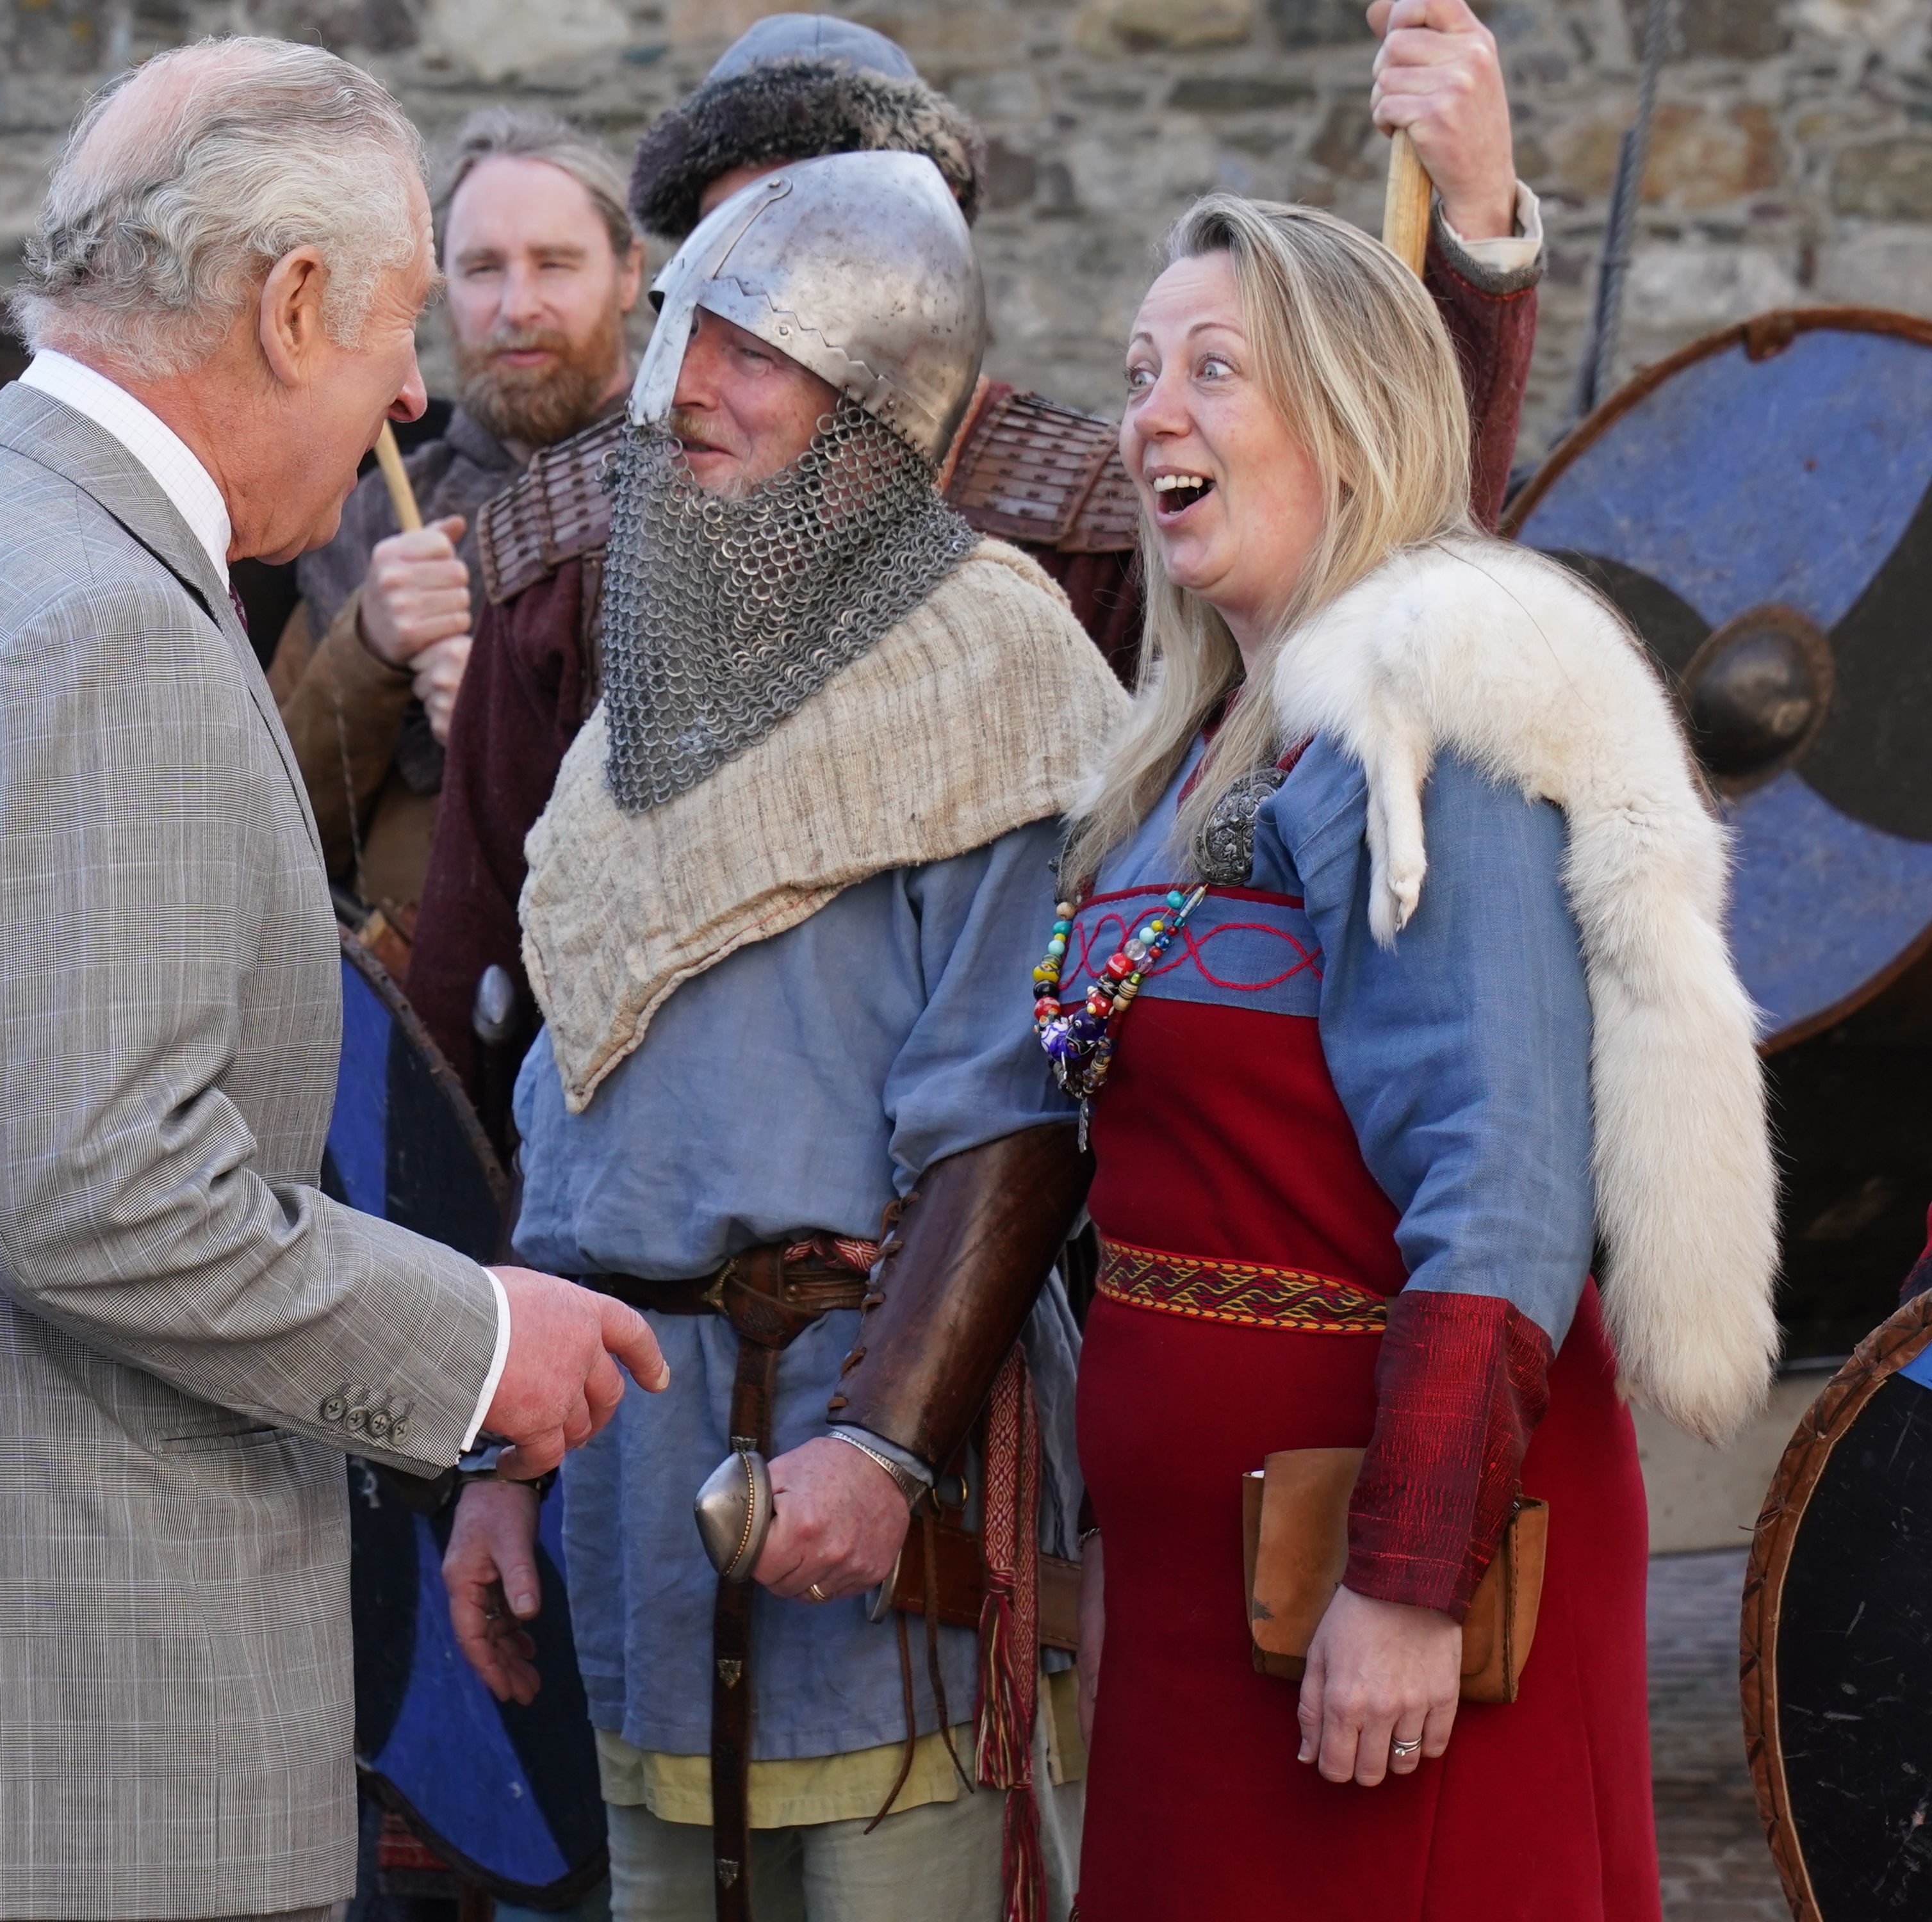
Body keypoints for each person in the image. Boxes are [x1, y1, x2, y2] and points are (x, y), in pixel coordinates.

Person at [0, 39, 665, 1922]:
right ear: (288, 305)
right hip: (96, 1751)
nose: (417, 385)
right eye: (401, 322)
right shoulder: (107, 626)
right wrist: (483, 1343)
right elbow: (98, 1200)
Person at [405, 0, 1546, 1104]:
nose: (780, 276)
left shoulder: (1104, 514)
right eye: (741, 246)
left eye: (832, 224)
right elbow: (486, 961)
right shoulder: (572, 545)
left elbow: (1386, 564)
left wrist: (1477, 232)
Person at [1057, 193, 1779, 1919]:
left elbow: (1508, 1177)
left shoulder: (1436, 735)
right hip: (1198, 1597)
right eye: (1141, 368)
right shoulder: (1202, 754)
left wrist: (1405, 1576)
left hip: (1376, 1595)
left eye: (1214, 369)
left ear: (1354, 419)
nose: (1153, 409)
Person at [440, 151, 1127, 1922]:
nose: (686, 389)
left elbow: (1016, 1110)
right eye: (682, 335)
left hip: (863, 1479)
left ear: (877, 391)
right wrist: (505, 1459)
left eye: (753, 348)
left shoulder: (995, 659)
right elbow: (568, 1091)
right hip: (634, 1483)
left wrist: (888, 1440)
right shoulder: (640, 692)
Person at [265, 107, 643, 972]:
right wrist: (369, 649)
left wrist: (501, 717)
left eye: (555, 263)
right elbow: (265, 839)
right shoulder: (371, 519)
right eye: (481, 269)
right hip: (413, 1044)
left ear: (627, 273)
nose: (517, 306)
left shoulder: (709, 495)